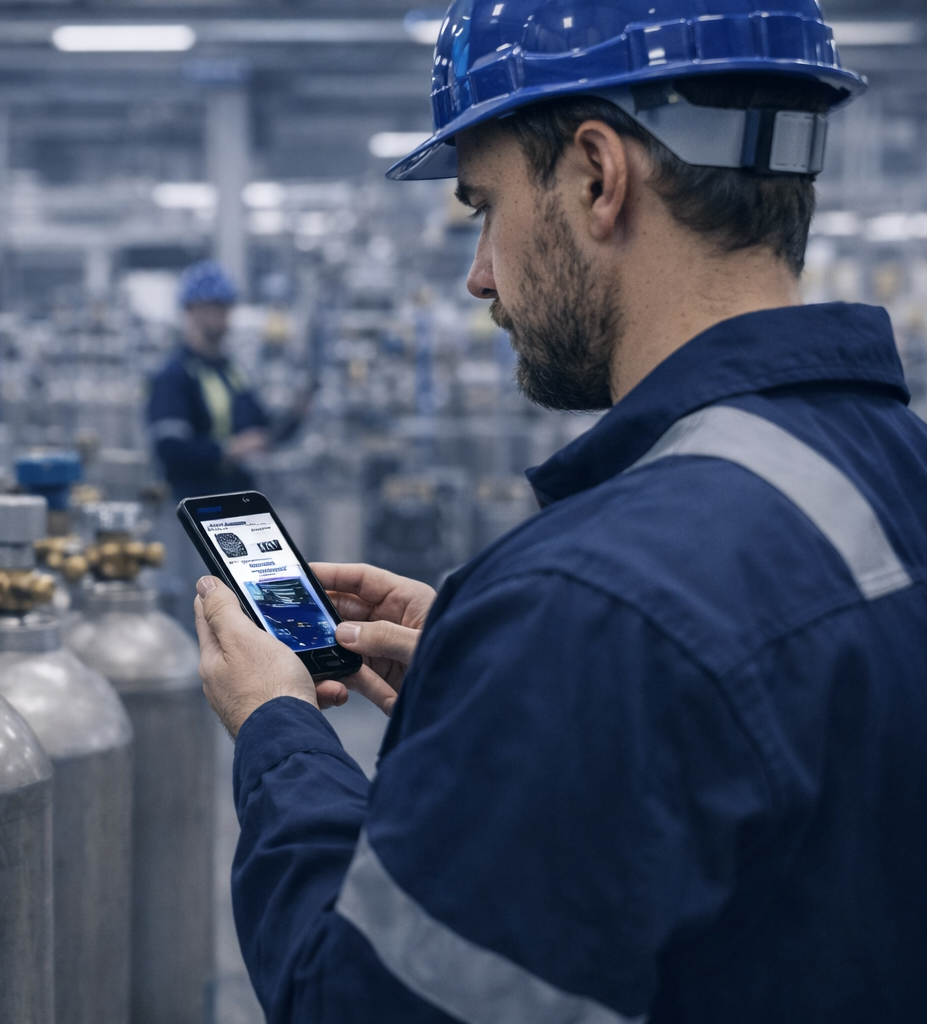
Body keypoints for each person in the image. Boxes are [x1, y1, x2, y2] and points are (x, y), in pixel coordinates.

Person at [193, 1, 927, 1021]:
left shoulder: (595, 609)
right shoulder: (890, 473)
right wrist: (485, 670)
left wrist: (277, 729)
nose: (479, 272)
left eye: (483, 205)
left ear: (596, 176)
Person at [147, 260, 271, 499]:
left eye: (227, 307)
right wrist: (231, 449)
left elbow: (260, 427)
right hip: (194, 506)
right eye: (215, 307)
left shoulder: (232, 372)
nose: (224, 316)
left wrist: (298, 413)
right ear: (191, 310)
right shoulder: (173, 376)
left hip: (238, 499)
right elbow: (171, 450)